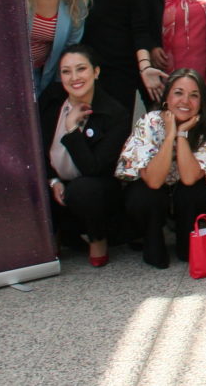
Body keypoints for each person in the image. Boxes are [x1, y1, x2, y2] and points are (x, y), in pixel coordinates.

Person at [116, 68, 206, 269]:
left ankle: (186, 241)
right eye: (178, 93)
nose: (185, 101)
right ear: (166, 98)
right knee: (145, 195)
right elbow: (154, 180)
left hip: (182, 187)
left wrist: (182, 134)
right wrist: (169, 136)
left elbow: (189, 178)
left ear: (201, 103)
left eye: (194, 95)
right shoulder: (149, 122)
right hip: (152, 190)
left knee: (195, 192)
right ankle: (151, 239)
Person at [38, 45, 129, 267]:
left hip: (97, 189)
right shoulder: (51, 103)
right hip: (59, 185)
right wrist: (53, 181)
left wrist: (71, 130)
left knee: (84, 188)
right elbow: (39, 150)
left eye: (81, 69)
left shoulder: (115, 113)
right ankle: (52, 237)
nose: (74, 77)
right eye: (66, 71)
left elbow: (94, 168)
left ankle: (98, 239)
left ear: (96, 72)